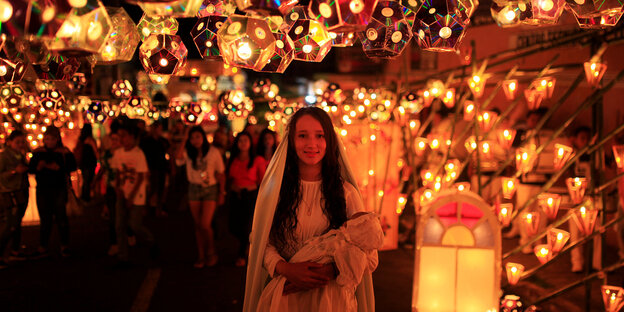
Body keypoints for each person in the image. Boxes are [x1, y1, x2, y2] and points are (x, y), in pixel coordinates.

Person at [243, 107, 377, 312]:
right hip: (286, 298)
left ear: (329, 141)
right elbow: (260, 242)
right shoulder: (275, 191)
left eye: (320, 135)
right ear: (291, 141)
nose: (311, 144)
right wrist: (286, 268)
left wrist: (329, 271)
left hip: (332, 301)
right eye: (302, 136)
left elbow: (370, 256)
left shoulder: (347, 194)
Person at [176, 126, 225, 268]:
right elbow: (177, 158)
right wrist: (184, 138)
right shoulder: (188, 153)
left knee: (205, 224)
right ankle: (201, 255)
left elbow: (221, 173)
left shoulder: (213, 152)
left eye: (198, 137)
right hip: (194, 188)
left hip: (210, 189)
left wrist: (222, 193)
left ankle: (211, 251)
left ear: (203, 137)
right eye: (192, 138)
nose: (195, 140)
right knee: (198, 225)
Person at [112, 121, 156, 265]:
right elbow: (118, 171)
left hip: (137, 194)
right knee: (119, 225)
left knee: (135, 224)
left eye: (124, 136)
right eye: (120, 137)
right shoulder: (118, 153)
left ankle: (150, 241)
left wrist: (131, 196)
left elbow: (141, 176)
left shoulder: (138, 154)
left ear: (132, 137)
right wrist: (118, 187)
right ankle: (122, 256)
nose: (122, 140)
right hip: (122, 192)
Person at [29, 126, 77, 258]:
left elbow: (72, 167)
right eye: (47, 139)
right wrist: (39, 166)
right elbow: (31, 169)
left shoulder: (64, 152)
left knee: (61, 217)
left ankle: (64, 245)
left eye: (52, 139)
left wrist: (59, 168)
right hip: (43, 189)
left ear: (57, 139)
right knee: (45, 219)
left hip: (59, 188)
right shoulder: (39, 152)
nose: (49, 142)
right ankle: (43, 245)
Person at [227, 132, 264, 267]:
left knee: (246, 226)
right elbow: (229, 177)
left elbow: (262, 180)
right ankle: (247, 244)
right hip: (236, 196)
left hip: (250, 196)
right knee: (233, 226)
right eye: (240, 140)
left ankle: (241, 254)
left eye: (245, 140)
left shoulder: (257, 160)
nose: (243, 143)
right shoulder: (233, 159)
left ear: (250, 143)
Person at [0, 130, 30, 268]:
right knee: (11, 225)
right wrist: (13, 172)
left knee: (17, 223)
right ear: (10, 142)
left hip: (22, 190)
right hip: (10, 192)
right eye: (17, 142)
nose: (20, 144)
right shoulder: (4, 156)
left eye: (22, 141)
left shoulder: (21, 155)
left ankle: (15, 251)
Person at [140, 120, 170, 217]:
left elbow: (169, 151)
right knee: (151, 188)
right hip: (151, 167)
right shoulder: (146, 141)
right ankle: (146, 207)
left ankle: (158, 208)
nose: (160, 130)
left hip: (161, 167)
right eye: (159, 128)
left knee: (160, 188)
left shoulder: (162, 141)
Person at [73, 123, 98, 202]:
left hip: (83, 163)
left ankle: (83, 197)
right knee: (88, 181)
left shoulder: (80, 140)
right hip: (90, 164)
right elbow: (95, 151)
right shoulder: (90, 140)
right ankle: (86, 198)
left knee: (85, 180)